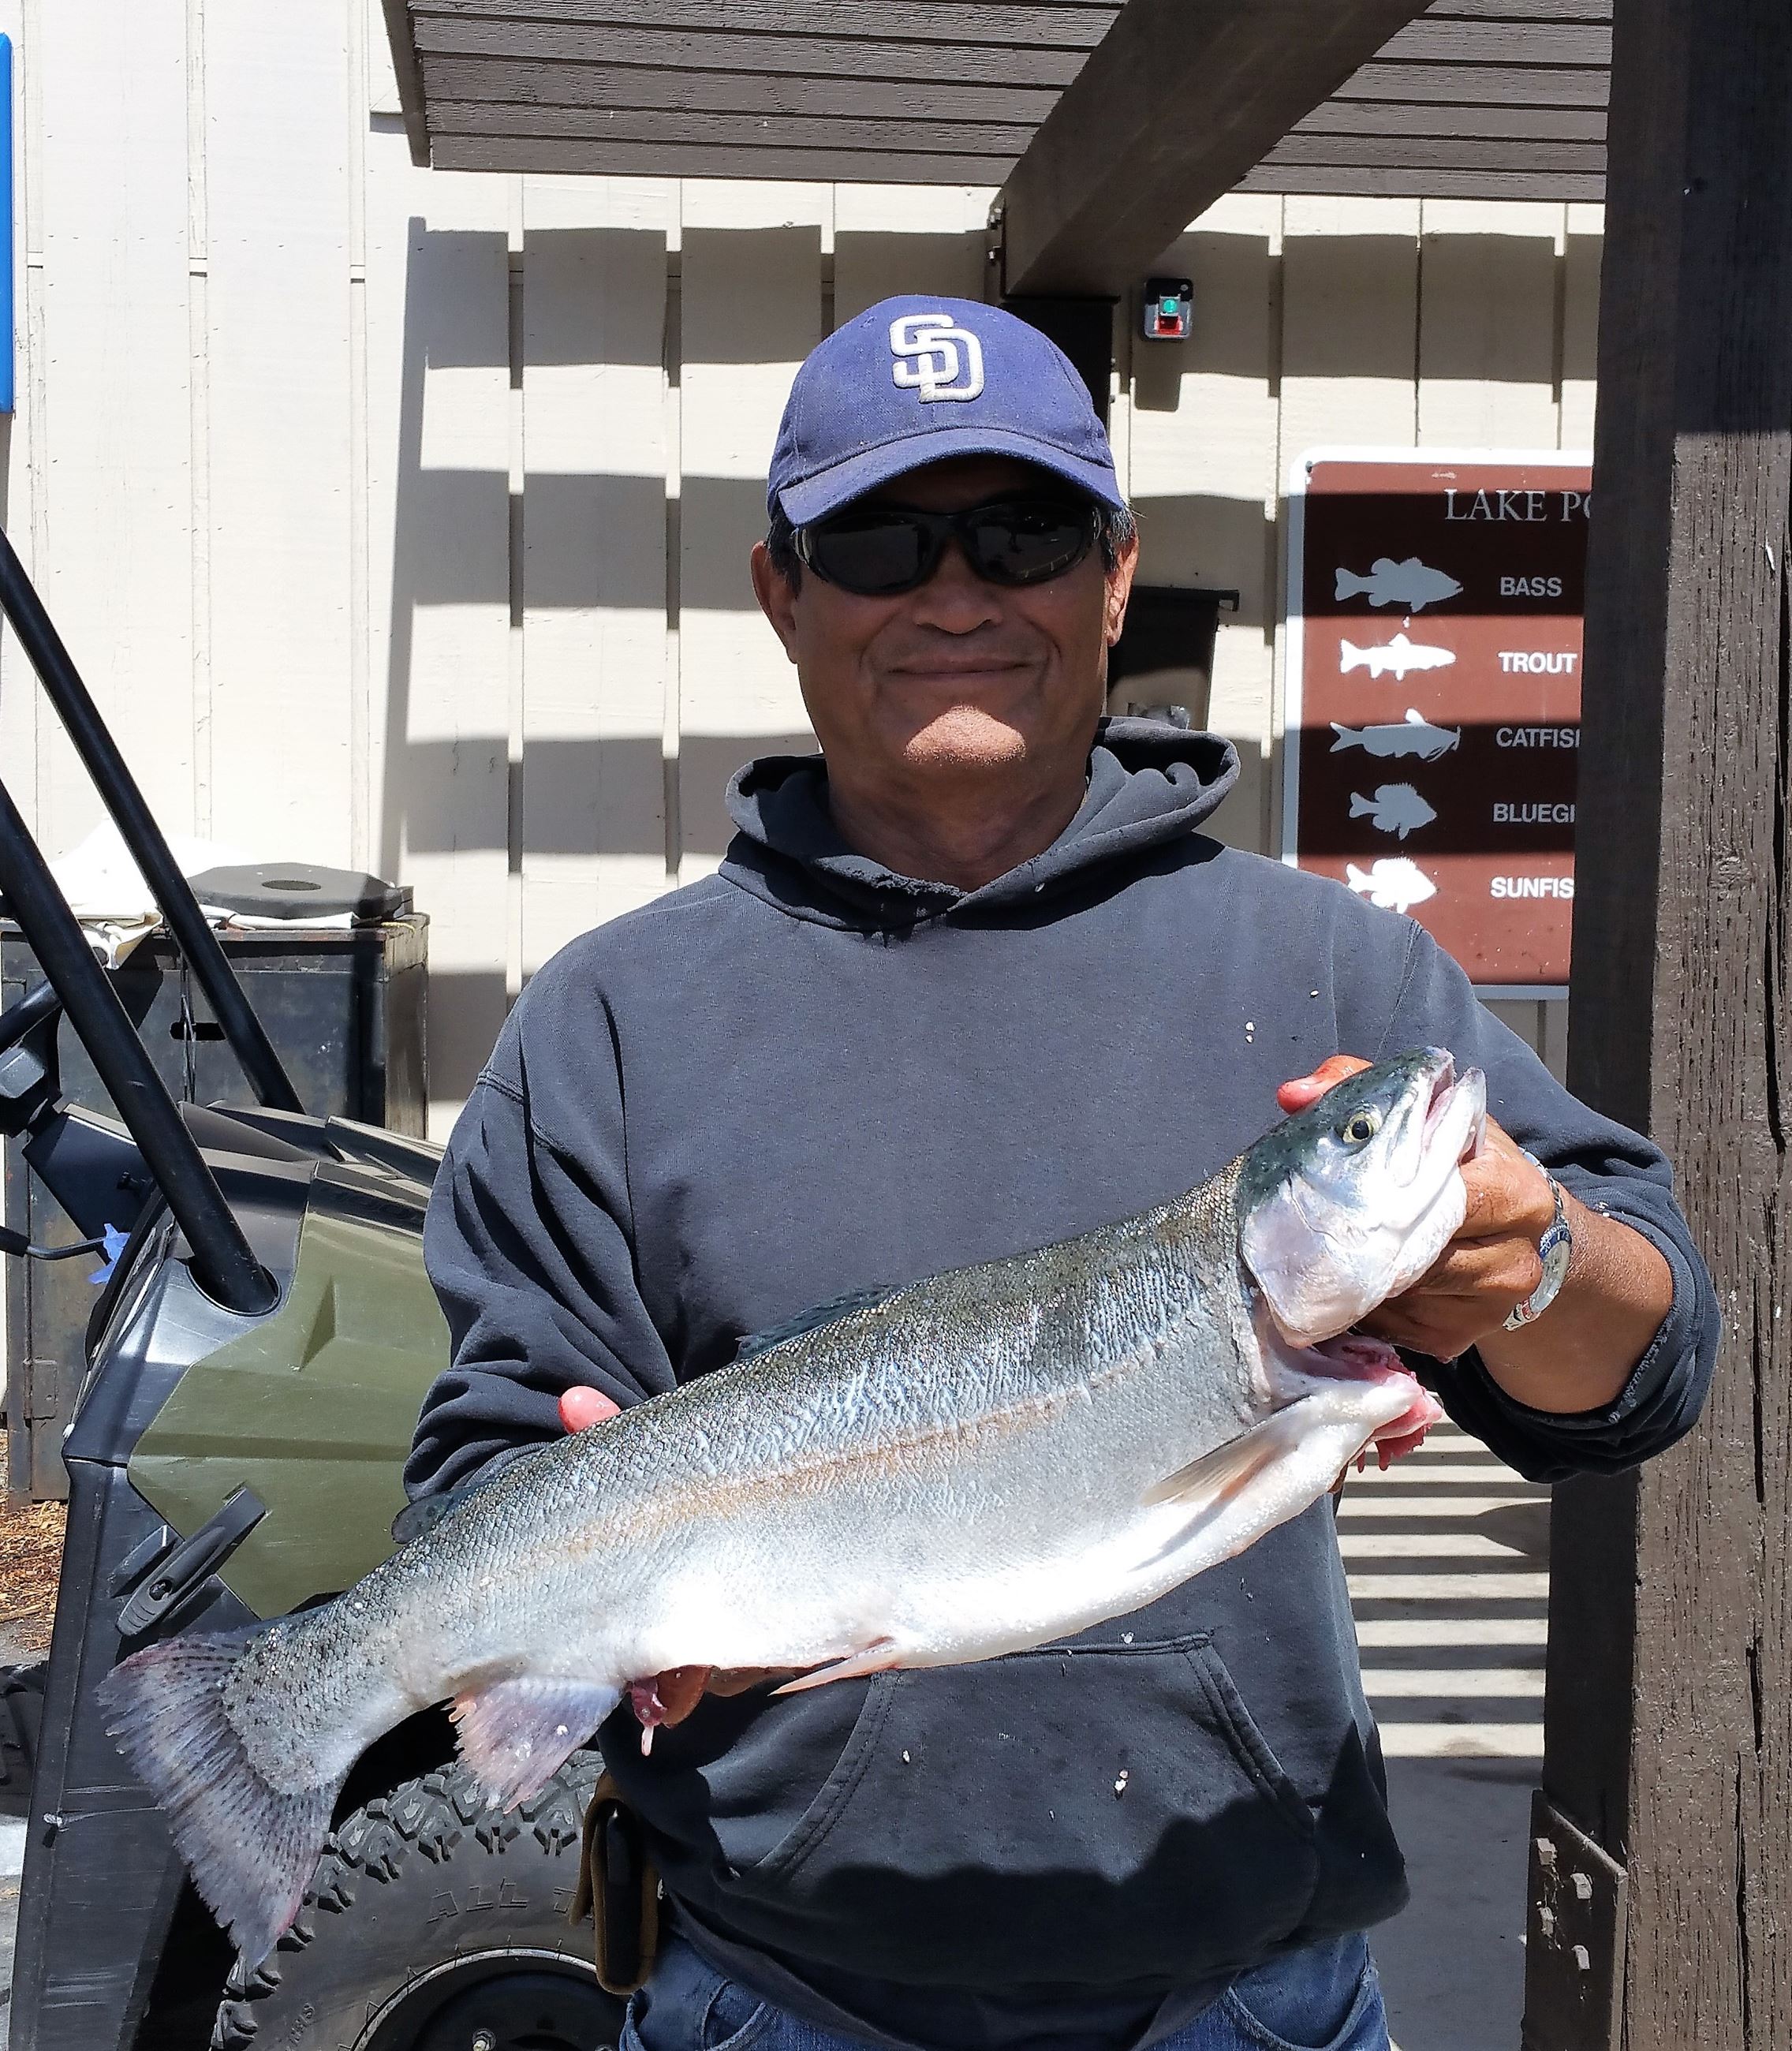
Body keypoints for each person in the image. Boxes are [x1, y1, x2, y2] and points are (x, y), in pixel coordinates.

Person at [409, 296, 1715, 2051]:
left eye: (1017, 531)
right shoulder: (609, 1019)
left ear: (1111, 576)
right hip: (776, 1993)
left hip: (1247, 1994)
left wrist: (1530, 1252)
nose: (954, 593)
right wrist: (592, 1594)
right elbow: (481, 1467)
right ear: (781, 592)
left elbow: (1641, 1367)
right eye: (878, 539)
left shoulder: (1336, 975)